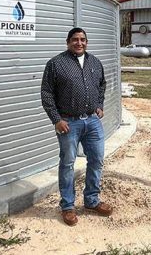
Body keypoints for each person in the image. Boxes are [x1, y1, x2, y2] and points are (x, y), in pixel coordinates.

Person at [40, 27, 114, 226]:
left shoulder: (95, 63)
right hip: (68, 123)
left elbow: (102, 85)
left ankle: (92, 200)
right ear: (68, 42)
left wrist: (99, 105)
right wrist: (56, 119)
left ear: (86, 42)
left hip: (92, 121)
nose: (79, 43)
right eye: (75, 39)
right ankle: (68, 206)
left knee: (97, 160)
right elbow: (47, 94)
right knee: (67, 164)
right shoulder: (56, 64)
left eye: (82, 39)